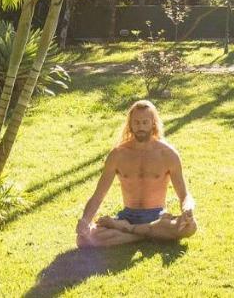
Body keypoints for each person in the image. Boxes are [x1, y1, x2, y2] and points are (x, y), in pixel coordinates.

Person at [76, 99, 197, 248]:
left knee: (190, 227)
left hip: (157, 216)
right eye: (137, 122)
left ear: (153, 123)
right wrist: (85, 221)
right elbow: (98, 196)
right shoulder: (118, 154)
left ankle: (127, 232)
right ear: (130, 124)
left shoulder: (168, 154)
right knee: (83, 239)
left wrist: (187, 208)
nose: (141, 127)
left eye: (145, 122)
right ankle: (144, 234)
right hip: (128, 216)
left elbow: (184, 195)